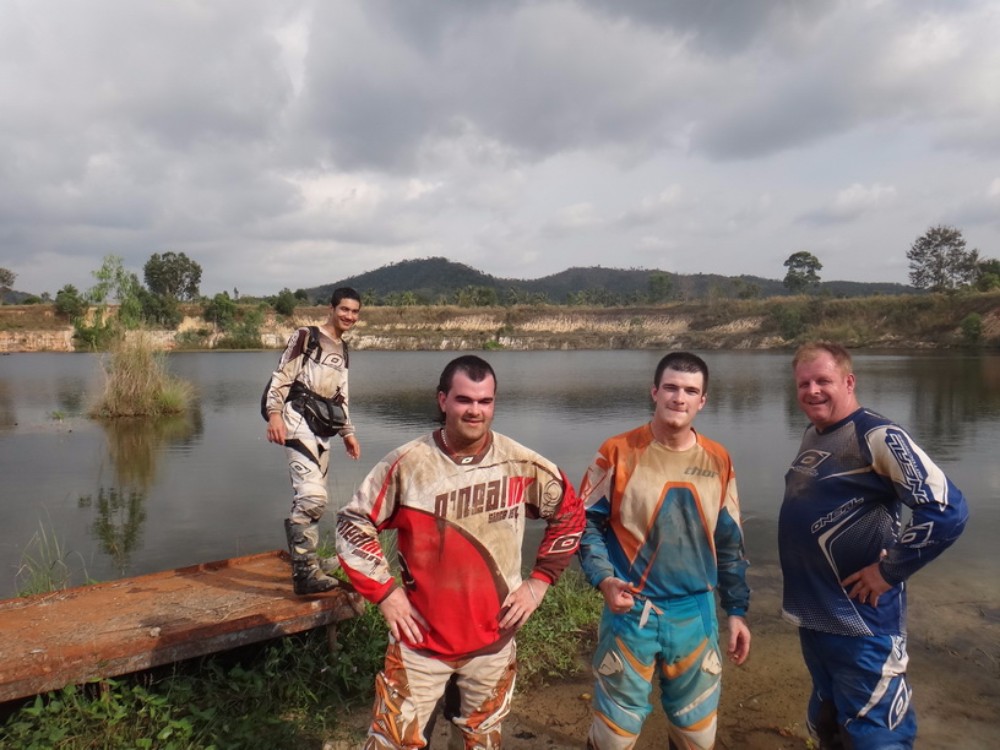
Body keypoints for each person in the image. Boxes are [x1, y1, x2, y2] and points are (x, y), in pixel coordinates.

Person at [336, 354, 584, 749]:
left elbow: (570, 513)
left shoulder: (520, 463)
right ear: (443, 400)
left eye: (485, 401)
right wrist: (385, 593)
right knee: (391, 742)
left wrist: (539, 583)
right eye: (464, 399)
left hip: (494, 641)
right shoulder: (408, 464)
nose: (475, 410)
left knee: (481, 740)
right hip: (419, 643)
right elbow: (353, 524)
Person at [780, 341, 969, 749]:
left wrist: (888, 571)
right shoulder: (814, 434)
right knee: (828, 724)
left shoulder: (877, 436)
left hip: (863, 624)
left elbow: (946, 510)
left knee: (877, 735)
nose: (812, 391)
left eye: (823, 381)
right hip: (817, 619)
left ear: (849, 382)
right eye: (803, 383)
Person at [578, 351, 751, 750]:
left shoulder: (719, 459)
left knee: (696, 736)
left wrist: (737, 611)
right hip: (630, 611)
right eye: (671, 388)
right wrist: (604, 579)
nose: (679, 398)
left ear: (702, 401)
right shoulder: (617, 451)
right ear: (654, 392)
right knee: (613, 736)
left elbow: (729, 544)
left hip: (696, 614)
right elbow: (584, 526)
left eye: (690, 391)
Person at [264, 287, 362, 595]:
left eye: (354, 312)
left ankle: (307, 561)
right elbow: (282, 374)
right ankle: (305, 574)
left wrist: (348, 432)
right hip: (297, 419)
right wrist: (274, 413)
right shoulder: (307, 336)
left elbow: (342, 394)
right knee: (312, 496)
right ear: (331, 309)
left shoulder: (343, 348)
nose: (349, 316)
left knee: (314, 500)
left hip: (324, 426)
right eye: (344, 309)